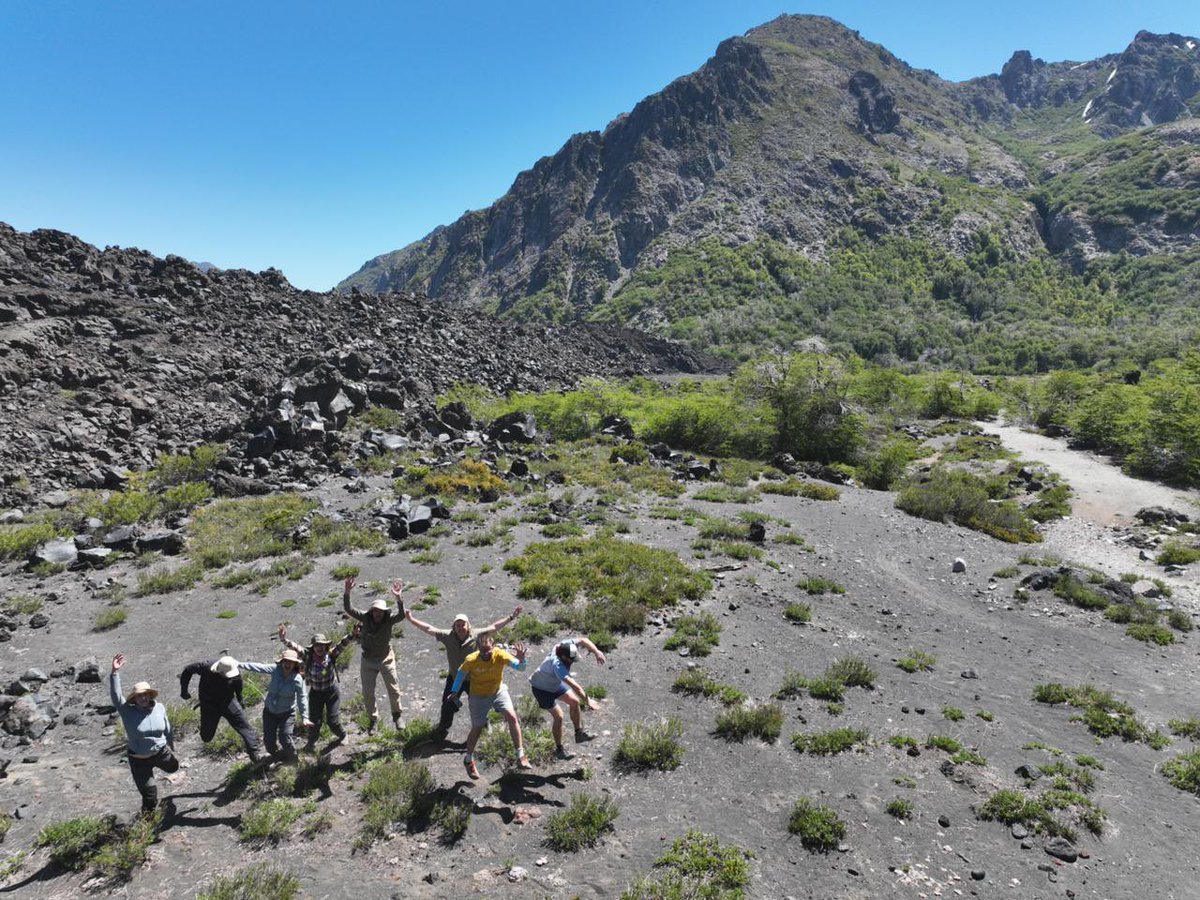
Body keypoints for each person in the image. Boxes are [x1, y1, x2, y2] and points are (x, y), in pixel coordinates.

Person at [404, 603, 523, 739]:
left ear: (468, 625)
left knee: (479, 704)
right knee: (447, 703)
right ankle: (443, 729)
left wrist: (512, 617)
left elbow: (494, 627)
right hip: (455, 677)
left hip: (474, 679)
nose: (460, 627)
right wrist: (411, 619)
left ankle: (484, 724)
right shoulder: (447, 636)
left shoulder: (477, 635)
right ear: (454, 627)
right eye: (457, 625)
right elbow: (429, 628)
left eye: (463, 624)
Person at [448, 635, 529, 779]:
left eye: (488, 650)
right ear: (478, 648)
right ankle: (468, 760)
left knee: (512, 717)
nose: (486, 653)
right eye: (483, 650)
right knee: (477, 728)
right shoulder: (471, 660)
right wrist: (454, 691)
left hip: (497, 691)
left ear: (493, 647)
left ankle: (521, 755)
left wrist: (522, 658)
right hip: (478, 696)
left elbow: (520, 667)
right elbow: (460, 674)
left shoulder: (499, 654)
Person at [111, 653, 177, 814]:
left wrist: (171, 744)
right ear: (134, 698)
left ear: (149, 695)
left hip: (160, 752)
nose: (143, 697)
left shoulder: (159, 708)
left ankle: (167, 765)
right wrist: (114, 673)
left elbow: (167, 728)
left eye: (145, 694)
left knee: (174, 767)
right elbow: (116, 697)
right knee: (150, 797)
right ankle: (147, 824)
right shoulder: (127, 711)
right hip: (139, 759)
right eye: (139, 695)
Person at [278, 623, 355, 750]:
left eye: (322, 645)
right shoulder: (308, 656)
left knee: (332, 720)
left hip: (331, 693)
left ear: (326, 646)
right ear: (313, 647)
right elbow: (296, 648)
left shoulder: (331, 654)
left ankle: (343, 735)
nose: (319, 647)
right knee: (314, 722)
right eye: (317, 645)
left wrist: (352, 634)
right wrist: (283, 639)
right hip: (315, 694)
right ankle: (311, 742)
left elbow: (343, 643)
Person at [342, 575, 404, 732]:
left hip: (386, 658)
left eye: (381, 611)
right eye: (375, 611)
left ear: (384, 612)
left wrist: (398, 598)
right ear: (371, 611)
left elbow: (402, 616)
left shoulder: (389, 620)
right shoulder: (364, 617)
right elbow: (348, 609)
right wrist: (347, 592)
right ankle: (373, 719)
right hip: (368, 659)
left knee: (394, 688)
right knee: (368, 692)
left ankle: (397, 715)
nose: (378, 613)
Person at [529, 638, 606, 760]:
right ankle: (559, 750)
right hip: (541, 689)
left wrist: (596, 651)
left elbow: (583, 640)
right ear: (564, 658)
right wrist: (588, 701)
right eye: (571, 660)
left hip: (553, 683)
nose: (572, 663)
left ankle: (579, 734)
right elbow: (575, 686)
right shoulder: (558, 665)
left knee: (574, 702)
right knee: (559, 717)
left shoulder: (564, 646)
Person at [180, 654, 262, 764]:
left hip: (228, 702)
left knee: (244, 726)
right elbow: (187, 670)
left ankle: (255, 755)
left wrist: (240, 698)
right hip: (209, 705)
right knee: (206, 737)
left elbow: (238, 683)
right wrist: (184, 691)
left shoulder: (233, 670)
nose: (230, 677)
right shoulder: (205, 666)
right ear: (220, 671)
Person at [239, 648, 312, 763]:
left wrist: (305, 717)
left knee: (285, 738)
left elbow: (302, 698)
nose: (287, 664)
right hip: (269, 712)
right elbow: (259, 667)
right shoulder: (275, 670)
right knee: (268, 741)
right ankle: (276, 755)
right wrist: (239, 664)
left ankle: (293, 761)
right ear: (282, 662)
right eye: (285, 661)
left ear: (295, 664)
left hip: (287, 714)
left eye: (290, 662)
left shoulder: (298, 680)